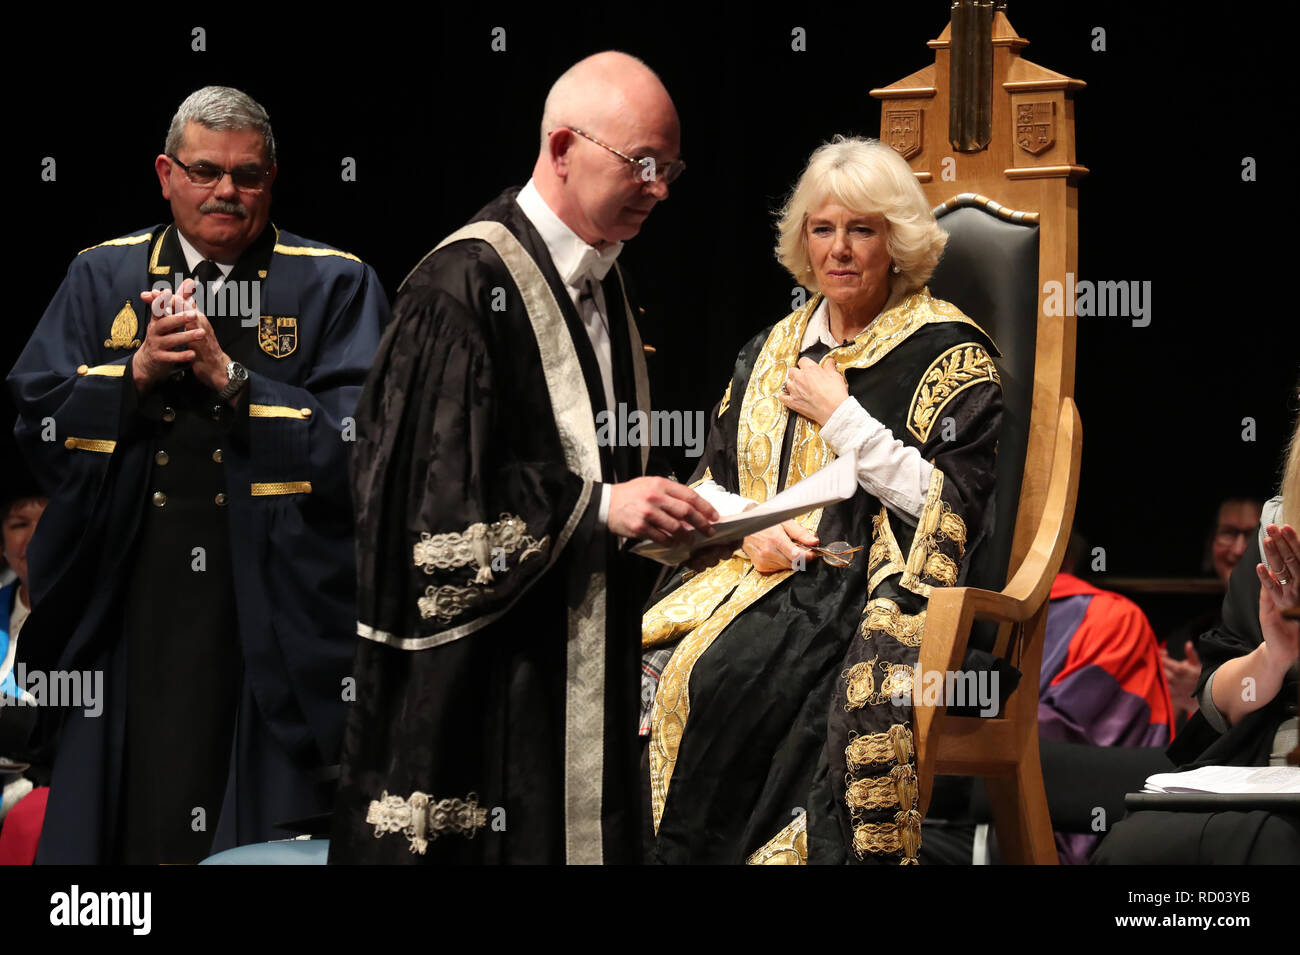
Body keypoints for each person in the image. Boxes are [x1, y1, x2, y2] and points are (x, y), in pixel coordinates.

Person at [330, 52, 717, 865]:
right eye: (642, 164)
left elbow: (601, 466)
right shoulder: (459, 291)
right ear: (563, 146)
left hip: (577, 666)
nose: (661, 188)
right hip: (483, 687)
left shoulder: (609, 281)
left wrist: (672, 516)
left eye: (669, 166)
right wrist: (602, 509)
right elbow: (418, 513)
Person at [6, 86, 389, 864]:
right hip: (126, 603)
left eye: (248, 176)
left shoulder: (333, 282)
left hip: (268, 609)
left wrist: (234, 380)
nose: (226, 191)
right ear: (165, 173)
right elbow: (37, 419)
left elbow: (367, 448)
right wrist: (134, 373)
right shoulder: (98, 275)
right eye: (206, 170)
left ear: (272, 180)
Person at [641, 136, 1004, 865]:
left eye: (861, 230)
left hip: (858, 591)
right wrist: (746, 531)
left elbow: (951, 511)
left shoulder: (949, 352)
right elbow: (710, 479)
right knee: (625, 663)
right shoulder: (768, 350)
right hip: (742, 577)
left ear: (897, 240)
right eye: (823, 229)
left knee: (720, 679)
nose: (839, 250)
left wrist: (843, 417)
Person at [1093, 417, 1299, 864]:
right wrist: (1274, 656)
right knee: (1132, 847)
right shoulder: (1279, 544)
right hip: (1266, 767)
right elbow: (1217, 700)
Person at [1160, 496, 1263, 724]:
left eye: (1251, 534)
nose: (1237, 550)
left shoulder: (1288, 625)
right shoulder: (1187, 638)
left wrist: (1208, 698)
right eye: (1228, 533)